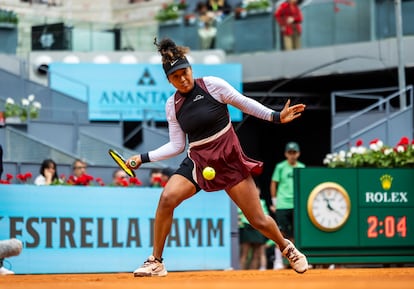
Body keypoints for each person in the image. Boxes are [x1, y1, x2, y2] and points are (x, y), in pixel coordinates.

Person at [126, 38, 308, 277]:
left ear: (191, 69)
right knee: (167, 198)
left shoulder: (212, 85)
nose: (182, 79)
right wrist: (142, 157)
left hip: (228, 158)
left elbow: (245, 104)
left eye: (184, 72)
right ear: (169, 80)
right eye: (176, 77)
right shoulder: (172, 105)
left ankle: (287, 248)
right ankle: (156, 261)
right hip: (198, 161)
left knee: (258, 220)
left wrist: (276, 117)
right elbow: (177, 145)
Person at [269, 141, 305, 269]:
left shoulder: (302, 167)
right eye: (290, 152)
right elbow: (274, 183)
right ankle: (278, 261)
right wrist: (275, 201)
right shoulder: (280, 167)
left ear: (298, 153)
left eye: (294, 152)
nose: (292, 155)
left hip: (297, 205)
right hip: (283, 205)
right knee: (281, 233)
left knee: (298, 234)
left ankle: (296, 259)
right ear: (286, 154)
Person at [238, 186, 269, 270]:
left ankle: (253, 273)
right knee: (245, 253)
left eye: (257, 189)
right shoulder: (243, 200)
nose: (255, 191)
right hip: (247, 227)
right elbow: (238, 212)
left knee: (257, 253)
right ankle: (240, 273)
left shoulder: (262, 202)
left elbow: (265, 215)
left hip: (258, 228)